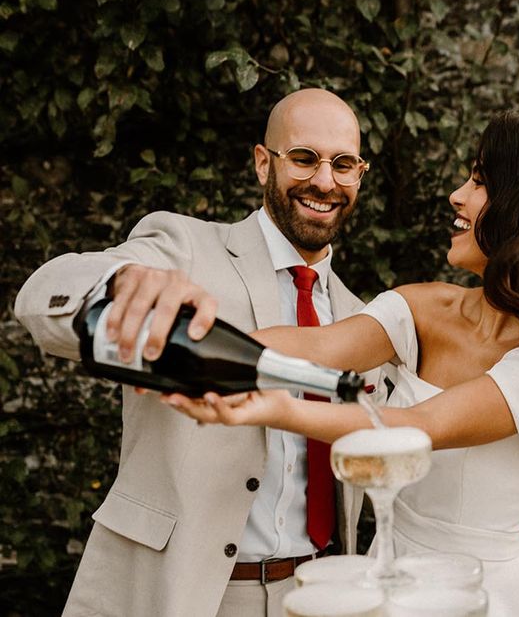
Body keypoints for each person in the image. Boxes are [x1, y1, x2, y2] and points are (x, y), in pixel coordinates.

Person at [165, 111, 519, 617]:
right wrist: (185, 350)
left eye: (479, 182)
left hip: (479, 598)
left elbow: (416, 428)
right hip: (385, 581)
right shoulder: (425, 306)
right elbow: (313, 346)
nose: (457, 195)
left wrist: (266, 408)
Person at [14, 88, 387, 617]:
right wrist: (122, 281)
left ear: (358, 175)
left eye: (343, 164)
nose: (324, 182)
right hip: (185, 592)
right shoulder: (182, 248)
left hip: (322, 593)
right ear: (264, 163)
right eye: (304, 158)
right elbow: (39, 298)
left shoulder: (365, 319)